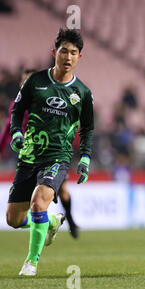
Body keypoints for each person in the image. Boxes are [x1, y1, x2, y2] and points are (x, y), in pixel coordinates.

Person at [6, 28, 94, 276]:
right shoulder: (36, 81)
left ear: (79, 58)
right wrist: (15, 133)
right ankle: (53, 222)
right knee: (13, 220)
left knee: (38, 203)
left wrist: (85, 158)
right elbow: (17, 110)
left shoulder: (83, 94)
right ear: (55, 53)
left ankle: (30, 263)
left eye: (73, 53)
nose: (68, 57)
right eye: (64, 51)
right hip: (29, 157)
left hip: (58, 157)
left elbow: (87, 129)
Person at [0, 69, 80, 239]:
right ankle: (51, 221)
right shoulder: (17, 104)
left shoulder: (48, 103)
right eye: (25, 82)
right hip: (27, 155)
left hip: (51, 155)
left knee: (63, 190)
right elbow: (9, 126)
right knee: (20, 211)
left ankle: (71, 221)